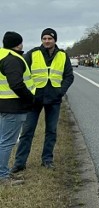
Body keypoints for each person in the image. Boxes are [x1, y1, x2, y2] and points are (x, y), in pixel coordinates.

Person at [12, 28, 75, 172]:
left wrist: (60, 91)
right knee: (27, 131)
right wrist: (28, 92)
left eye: (49, 38)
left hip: (54, 99)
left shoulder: (63, 56)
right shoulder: (33, 53)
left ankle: (47, 159)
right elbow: (21, 72)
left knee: (51, 131)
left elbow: (69, 76)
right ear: (41, 40)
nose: (47, 41)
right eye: (44, 38)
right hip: (34, 99)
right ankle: (20, 163)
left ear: (55, 40)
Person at [0, 32, 35, 186]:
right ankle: (2, 176)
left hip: (3, 105)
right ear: (18, 44)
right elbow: (16, 84)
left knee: (2, 141)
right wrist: (30, 99)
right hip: (13, 106)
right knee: (7, 142)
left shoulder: (2, 55)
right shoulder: (12, 59)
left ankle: (3, 173)